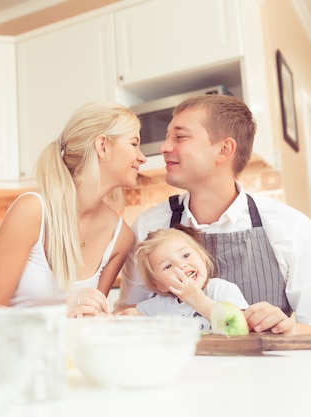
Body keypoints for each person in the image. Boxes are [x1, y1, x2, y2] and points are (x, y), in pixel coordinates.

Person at [117, 94, 311, 334]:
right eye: (167, 137)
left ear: (224, 149)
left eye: (179, 137)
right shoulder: (149, 225)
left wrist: (289, 328)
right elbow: (128, 312)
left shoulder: (291, 227)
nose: (164, 147)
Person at [0, 102, 146, 318]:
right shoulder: (32, 211)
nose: (142, 157)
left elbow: (87, 319)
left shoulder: (120, 238)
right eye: (134, 143)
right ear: (103, 146)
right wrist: (58, 314)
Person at [131, 225, 248, 331]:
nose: (181, 265)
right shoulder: (153, 309)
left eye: (186, 255)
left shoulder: (222, 290)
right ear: (160, 285)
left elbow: (242, 329)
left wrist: (197, 300)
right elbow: (129, 323)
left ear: (202, 258)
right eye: (168, 266)